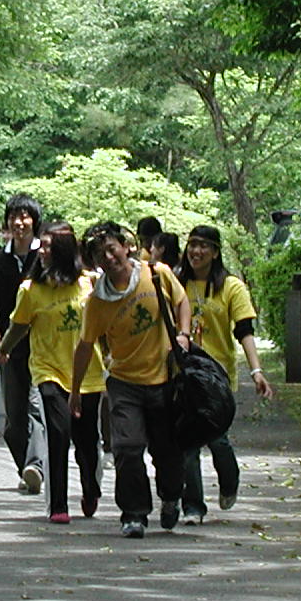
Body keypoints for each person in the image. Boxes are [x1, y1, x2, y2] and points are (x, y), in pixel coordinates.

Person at [72, 220, 191, 539]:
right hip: (124, 382)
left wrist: (183, 334)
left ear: (126, 247)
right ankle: (134, 513)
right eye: (99, 254)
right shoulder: (97, 300)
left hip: (164, 378)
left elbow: (182, 302)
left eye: (111, 249)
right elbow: (84, 345)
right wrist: (75, 392)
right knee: (126, 447)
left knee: (166, 450)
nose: (108, 257)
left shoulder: (157, 274)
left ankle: (170, 496)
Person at [0, 221, 103, 522]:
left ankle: (90, 487)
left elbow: (104, 324)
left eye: (47, 246)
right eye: (40, 245)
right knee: (58, 432)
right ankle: (58, 504)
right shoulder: (31, 290)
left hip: (88, 373)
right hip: (49, 371)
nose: (40, 251)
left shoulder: (89, 283)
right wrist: (4, 349)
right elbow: (18, 325)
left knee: (87, 441)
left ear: (64, 250)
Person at [178, 225, 274, 523]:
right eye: (192, 244)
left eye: (204, 246)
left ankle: (229, 481)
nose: (197, 251)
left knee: (217, 438)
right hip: (183, 372)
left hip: (217, 376)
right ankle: (193, 506)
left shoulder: (231, 286)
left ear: (216, 252)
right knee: (187, 441)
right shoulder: (176, 281)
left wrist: (256, 370)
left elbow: (244, 330)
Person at [0, 194, 47, 494]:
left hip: (45, 345)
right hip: (11, 346)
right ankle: (27, 468)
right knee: (13, 421)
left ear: (35, 221)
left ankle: (36, 465)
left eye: (25, 216)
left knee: (37, 406)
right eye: (14, 216)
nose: (19, 222)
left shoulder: (45, 257)